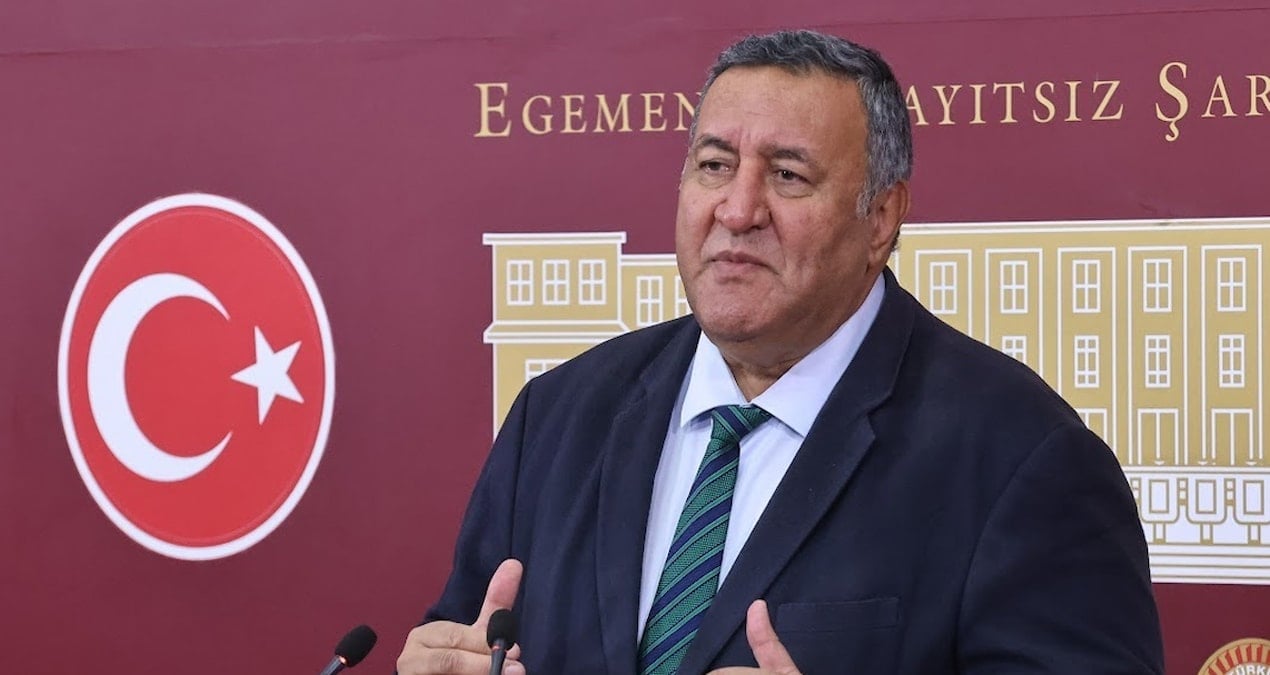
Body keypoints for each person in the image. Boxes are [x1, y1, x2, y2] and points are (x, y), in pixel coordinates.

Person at [396, 29, 1164, 674]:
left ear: (881, 217)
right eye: (714, 165)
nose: (737, 209)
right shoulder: (558, 416)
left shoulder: (1023, 459)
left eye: (788, 175)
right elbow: (472, 636)